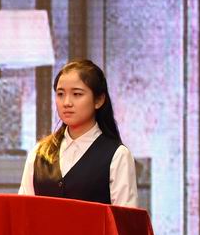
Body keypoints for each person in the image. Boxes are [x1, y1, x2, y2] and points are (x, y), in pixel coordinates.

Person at [18, 58, 138, 208]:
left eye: (77, 94)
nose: (67, 103)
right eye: (60, 94)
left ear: (99, 100)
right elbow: (23, 211)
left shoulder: (117, 155)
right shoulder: (39, 153)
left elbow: (124, 218)